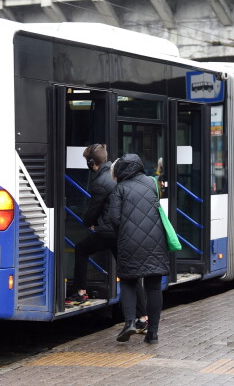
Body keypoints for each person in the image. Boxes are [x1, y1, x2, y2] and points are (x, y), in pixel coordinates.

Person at [66, 145, 148, 329]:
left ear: (91, 162)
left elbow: (92, 211)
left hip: (109, 232)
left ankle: (80, 292)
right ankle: (143, 318)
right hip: (122, 231)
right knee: (131, 274)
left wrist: (88, 223)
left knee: (81, 249)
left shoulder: (100, 182)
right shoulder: (116, 174)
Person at [106, 154, 170, 344]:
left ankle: (130, 323)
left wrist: (125, 231)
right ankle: (153, 333)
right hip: (156, 241)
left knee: (128, 281)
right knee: (153, 285)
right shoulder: (151, 183)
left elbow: (114, 218)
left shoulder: (120, 188)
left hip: (129, 242)